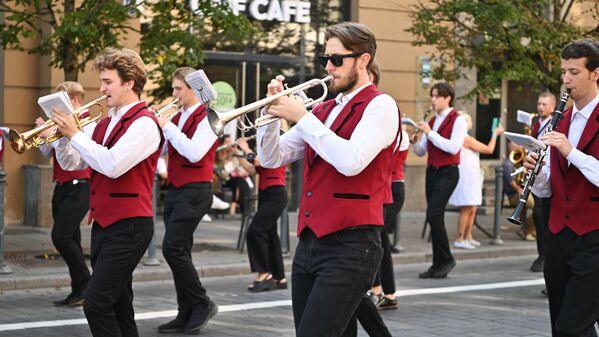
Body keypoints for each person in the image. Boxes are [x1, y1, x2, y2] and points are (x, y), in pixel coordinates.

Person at [257, 22, 399, 336]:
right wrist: (269, 118)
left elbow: (351, 161)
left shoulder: (380, 105)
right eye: (325, 60)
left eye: (337, 60)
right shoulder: (323, 109)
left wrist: (302, 117)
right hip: (309, 244)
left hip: (352, 243)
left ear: (363, 60)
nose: (329, 68)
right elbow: (271, 158)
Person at [52, 47, 162, 337]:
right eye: (101, 81)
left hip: (131, 226)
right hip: (103, 224)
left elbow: (112, 165)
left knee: (96, 303)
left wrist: (74, 133)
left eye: (108, 82)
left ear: (129, 83)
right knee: (119, 305)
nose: (101, 89)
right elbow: (72, 162)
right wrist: (63, 139)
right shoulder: (104, 121)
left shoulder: (145, 124)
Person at [524, 38, 599, 337]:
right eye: (564, 72)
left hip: (594, 236)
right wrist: (537, 174)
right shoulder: (560, 119)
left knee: (572, 326)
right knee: (562, 325)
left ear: (596, 73)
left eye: (574, 72)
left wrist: (570, 151)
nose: (566, 79)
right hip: (558, 235)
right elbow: (548, 189)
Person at [156, 67, 219, 334]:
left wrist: (167, 126)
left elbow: (194, 153)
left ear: (193, 89)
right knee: (180, 250)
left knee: (172, 249)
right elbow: (165, 151)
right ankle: (186, 311)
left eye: (178, 89)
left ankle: (202, 303)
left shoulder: (208, 117)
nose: (173, 94)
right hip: (176, 189)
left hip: (195, 190)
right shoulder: (179, 116)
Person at [36, 81, 94, 307]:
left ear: (75, 100)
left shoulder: (85, 117)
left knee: (60, 236)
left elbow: (78, 155)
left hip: (80, 184)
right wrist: (44, 136)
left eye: (61, 100)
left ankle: (86, 283)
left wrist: (59, 132)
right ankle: (78, 290)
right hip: (61, 185)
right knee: (72, 239)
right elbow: (47, 152)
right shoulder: (59, 121)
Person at [412, 82, 467, 279]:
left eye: (436, 96)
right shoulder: (433, 120)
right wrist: (413, 141)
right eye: (432, 96)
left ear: (447, 98)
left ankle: (446, 259)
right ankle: (437, 263)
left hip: (448, 172)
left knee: (434, 214)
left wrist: (429, 132)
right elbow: (421, 151)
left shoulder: (458, 120)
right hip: (432, 172)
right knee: (434, 217)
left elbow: (453, 147)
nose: (432, 100)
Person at [235, 137, 288, 292]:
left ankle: (264, 273)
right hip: (266, 194)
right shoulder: (263, 152)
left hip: (276, 194)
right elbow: (252, 170)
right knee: (270, 235)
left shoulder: (277, 148)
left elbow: (257, 161)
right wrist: (238, 154)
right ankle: (280, 278)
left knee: (255, 231)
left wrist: (245, 148)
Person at [449, 112, 504, 249]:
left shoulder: (463, 138)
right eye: (469, 120)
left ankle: (468, 236)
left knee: (473, 207)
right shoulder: (465, 139)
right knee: (467, 207)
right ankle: (460, 238)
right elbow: (489, 149)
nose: (472, 122)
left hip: (471, 175)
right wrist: (494, 134)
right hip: (466, 177)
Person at [529, 92, 556, 272]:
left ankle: (546, 256)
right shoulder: (535, 123)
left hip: (548, 173)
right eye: (539, 103)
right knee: (537, 215)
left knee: (542, 215)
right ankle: (542, 254)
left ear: (552, 107)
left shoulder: (555, 123)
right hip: (536, 173)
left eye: (544, 104)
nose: (540, 107)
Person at [503, 141, 536, 240]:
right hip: (515, 194)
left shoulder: (520, 160)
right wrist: (519, 189)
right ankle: (528, 230)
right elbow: (511, 182)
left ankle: (528, 230)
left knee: (539, 205)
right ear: (512, 148)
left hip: (523, 190)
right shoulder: (507, 163)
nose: (520, 148)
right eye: (518, 146)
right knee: (535, 206)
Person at [214, 135, 251, 214]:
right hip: (224, 180)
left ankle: (234, 204)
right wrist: (223, 159)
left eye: (230, 142)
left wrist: (233, 155)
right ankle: (243, 208)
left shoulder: (233, 153)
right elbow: (219, 171)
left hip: (235, 179)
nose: (230, 144)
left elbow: (237, 166)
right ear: (222, 144)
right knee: (240, 181)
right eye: (227, 142)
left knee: (240, 181)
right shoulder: (218, 154)